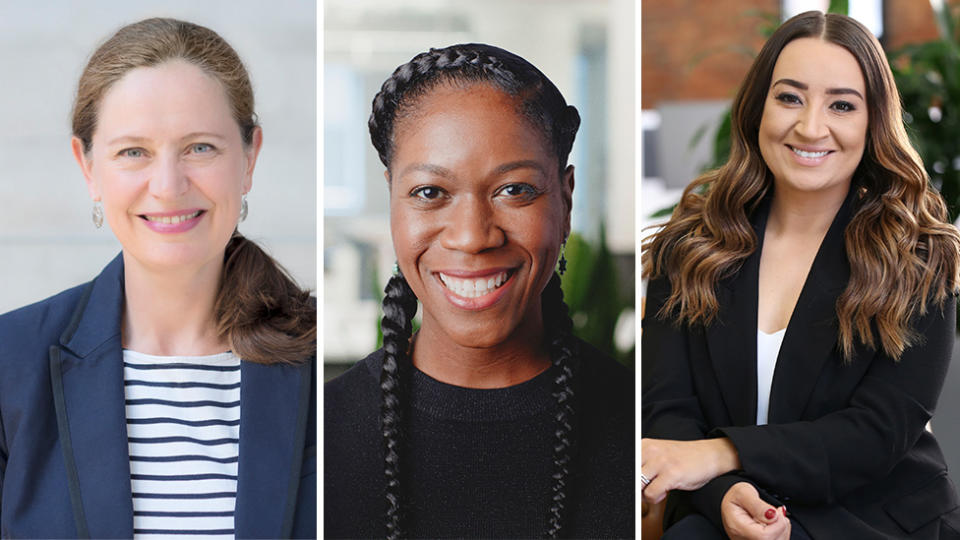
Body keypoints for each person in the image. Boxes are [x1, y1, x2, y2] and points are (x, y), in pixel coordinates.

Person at [642, 10, 960, 540]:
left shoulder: (920, 255)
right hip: (735, 514)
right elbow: (669, 413)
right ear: (757, 110)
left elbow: (879, 432)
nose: (811, 127)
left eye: (841, 105)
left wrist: (722, 455)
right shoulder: (690, 247)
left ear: (872, 121)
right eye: (789, 97)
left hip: (875, 520)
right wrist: (723, 493)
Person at [0, 18, 316, 538]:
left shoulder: (322, 363)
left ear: (250, 156)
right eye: (133, 152)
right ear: (87, 167)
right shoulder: (11, 363)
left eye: (200, 148)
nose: (168, 187)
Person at [324, 43, 634, 539]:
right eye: (430, 193)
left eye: (514, 190)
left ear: (566, 199)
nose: (471, 236)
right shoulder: (320, 437)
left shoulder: (636, 425)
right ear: (392, 202)